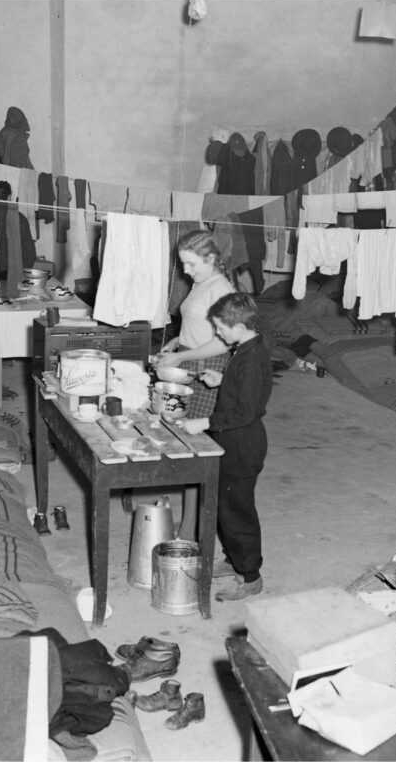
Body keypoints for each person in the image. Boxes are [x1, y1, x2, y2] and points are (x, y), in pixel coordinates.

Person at [180, 292, 273, 602]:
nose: (218, 334)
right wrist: (224, 378)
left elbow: (245, 411)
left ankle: (250, 576)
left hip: (242, 442)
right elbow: (246, 388)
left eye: (220, 328)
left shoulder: (252, 357)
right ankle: (234, 559)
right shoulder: (246, 349)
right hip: (234, 439)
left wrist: (203, 423)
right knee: (224, 505)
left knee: (237, 511)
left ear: (238, 325)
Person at [157, 229, 236, 540]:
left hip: (208, 367)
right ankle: (188, 520)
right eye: (183, 264)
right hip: (190, 359)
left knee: (196, 448)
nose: (185, 271)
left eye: (191, 264)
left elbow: (222, 343)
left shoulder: (222, 290)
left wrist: (182, 357)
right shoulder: (200, 282)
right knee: (181, 437)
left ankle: (192, 528)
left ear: (211, 259)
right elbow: (195, 323)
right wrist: (176, 343)